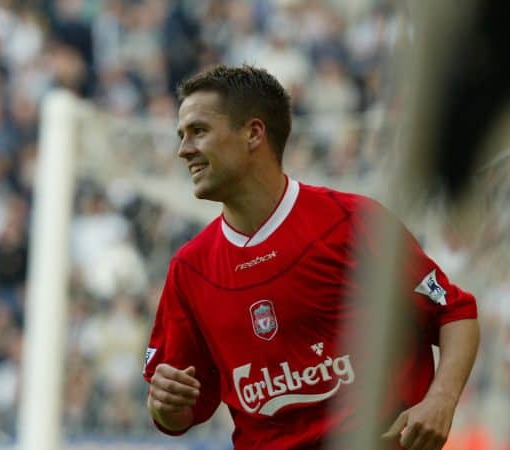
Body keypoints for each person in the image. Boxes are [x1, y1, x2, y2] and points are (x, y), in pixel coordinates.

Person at [143, 65, 479, 450]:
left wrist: (441, 399)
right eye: (181, 135)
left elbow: (455, 313)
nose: (183, 149)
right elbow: (182, 412)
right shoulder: (190, 268)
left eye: (198, 131)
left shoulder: (353, 223)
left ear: (253, 133)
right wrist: (164, 404)